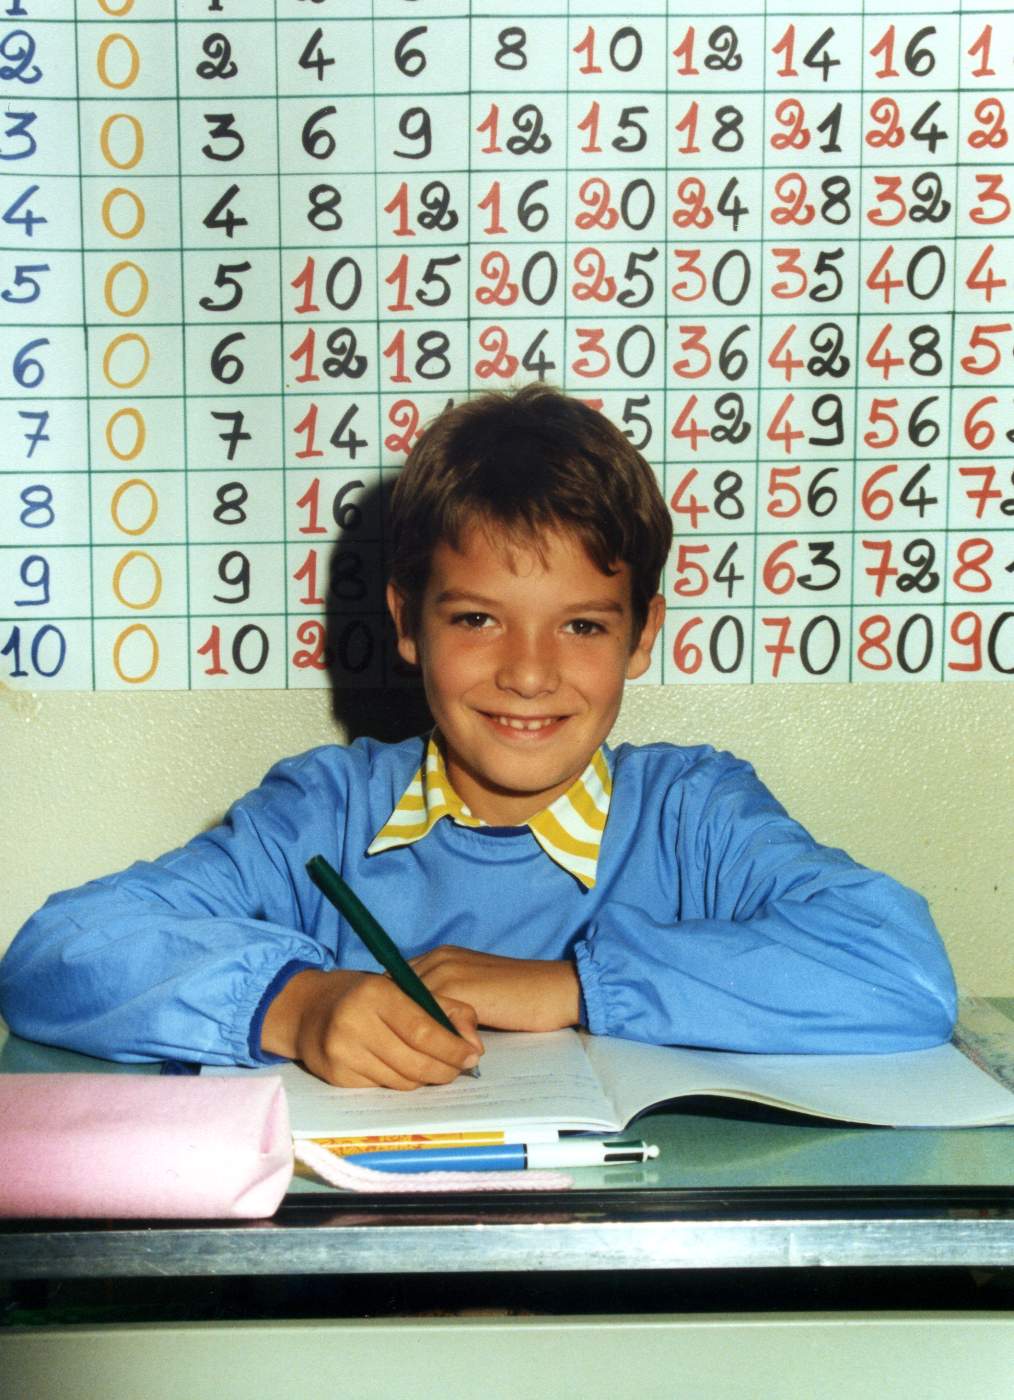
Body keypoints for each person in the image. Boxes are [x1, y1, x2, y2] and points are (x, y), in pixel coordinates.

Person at [0, 386, 957, 1089]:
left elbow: (903, 969)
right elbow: (57, 951)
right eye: (477, 619)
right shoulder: (323, 815)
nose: (529, 674)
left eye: (581, 625)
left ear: (641, 635)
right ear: (407, 623)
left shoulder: (692, 815)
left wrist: (576, 987)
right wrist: (293, 1006)